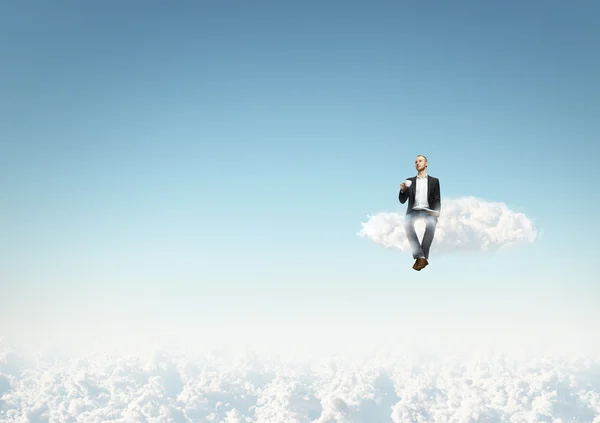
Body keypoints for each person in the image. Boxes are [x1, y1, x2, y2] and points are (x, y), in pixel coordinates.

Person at [398, 155, 441, 271]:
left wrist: (437, 212)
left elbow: (437, 199)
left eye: (420, 161)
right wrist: (403, 191)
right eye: (416, 162)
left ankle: (421, 258)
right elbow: (402, 201)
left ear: (426, 163)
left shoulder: (434, 181)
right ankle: (421, 257)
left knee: (431, 225)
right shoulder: (410, 181)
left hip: (428, 211)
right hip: (414, 211)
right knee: (407, 224)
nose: (417, 163)